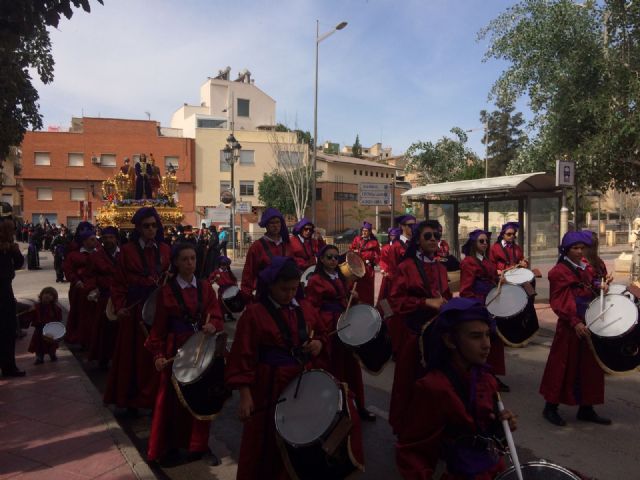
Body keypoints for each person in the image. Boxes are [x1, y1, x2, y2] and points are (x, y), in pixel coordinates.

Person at [226, 257, 335, 479]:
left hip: (301, 382)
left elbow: (323, 333)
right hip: (268, 384)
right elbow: (242, 356)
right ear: (270, 286)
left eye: (294, 288)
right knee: (263, 443)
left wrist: (319, 343)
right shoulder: (254, 313)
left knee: (299, 439)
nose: (289, 294)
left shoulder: (305, 308)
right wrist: (245, 395)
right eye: (284, 289)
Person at [395, 297, 517, 479]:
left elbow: (486, 432)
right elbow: (412, 453)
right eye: (476, 336)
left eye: (487, 335)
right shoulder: (434, 387)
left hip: (495, 471)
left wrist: (501, 426)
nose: (487, 345)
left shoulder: (487, 378)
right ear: (450, 341)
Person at [145, 243, 224, 465]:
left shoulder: (205, 287)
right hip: (176, 349)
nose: (190, 263)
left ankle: (198, 445)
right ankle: (168, 447)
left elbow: (215, 314)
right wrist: (158, 354)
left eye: (193, 259)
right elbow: (158, 328)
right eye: (185, 259)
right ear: (176, 263)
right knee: (172, 401)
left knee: (201, 397)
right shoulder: (167, 291)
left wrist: (213, 325)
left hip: (200, 348)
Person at [540, 231, 611, 427]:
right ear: (566, 250)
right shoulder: (558, 271)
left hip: (589, 321)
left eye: (582, 248)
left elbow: (589, 286)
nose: (580, 252)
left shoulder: (586, 267)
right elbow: (558, 301)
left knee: (589, 366)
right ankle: (550, 407)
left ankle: (586, 408)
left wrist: (600, 287)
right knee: (563, 365)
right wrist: (574, 321)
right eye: (575, 248)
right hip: (570, 326)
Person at [104, 207, 171, 413]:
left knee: (158, 356)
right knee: (133, 357)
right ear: (139, 228)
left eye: (154, 225)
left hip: (159, 311)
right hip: (135, 311)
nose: (151, 229)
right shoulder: (127, 251)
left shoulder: (166, 250)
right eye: (146, 226)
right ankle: (131, 400)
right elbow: (118, 282)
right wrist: (121, 306)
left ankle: (155, 400)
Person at [387, 220, 451, 434]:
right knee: (410, 381)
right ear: (418, 240)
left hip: (438, 334)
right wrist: (424, 303)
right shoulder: (406, 266)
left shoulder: (441, 267)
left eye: (436, 235)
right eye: (428, 236)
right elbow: (395, 301)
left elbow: (446, 297)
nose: (433, 239)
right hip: (414, 335)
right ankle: (408, 429)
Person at [305, 244, 375, 421]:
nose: (333, 260)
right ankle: (336, 408)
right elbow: (312, 307)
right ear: (321, 259)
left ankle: (358, 405)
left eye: (336, 257)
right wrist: (321, 329)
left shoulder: (342, 277)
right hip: (329, 325)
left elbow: (346, 298)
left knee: (352, 366)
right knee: (334, 366)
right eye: (329, 257)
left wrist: (354, 298)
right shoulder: (315, 280)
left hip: (345, 322)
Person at [459, 229, 508, 392]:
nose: (485, 244)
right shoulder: (468, 262)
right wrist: (479, 306)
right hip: (480, 306)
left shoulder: (487, 261)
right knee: (482, 344)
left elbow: (492, 279)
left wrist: (500, 281)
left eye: (486, 241)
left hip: (492, 304)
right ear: (474, 243)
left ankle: (491, 375)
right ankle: (480, 376)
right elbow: (465, 290)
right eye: (481, 241)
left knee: (494, 343)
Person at [86, 226, 120, 369]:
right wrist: (93, 289)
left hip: (120, 296)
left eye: (111, 237)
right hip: (104, 296)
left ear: (116, 239)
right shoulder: (95, 256)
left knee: (120, 330)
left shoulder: (124, 254)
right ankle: (103, 358)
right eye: (105, 238)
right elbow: (90, 275)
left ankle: (119, 358)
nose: (108, 240)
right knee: (103, 330)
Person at [240, 208, 292, 302]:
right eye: (272, 223)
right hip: (265, 296)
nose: (275, 225)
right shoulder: (257, 247)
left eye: (277, 222)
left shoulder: (287, 245)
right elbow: (248, 274)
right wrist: (247, 297)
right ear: (266, 225)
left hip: (286, 297)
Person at [62, 225, 99, 348]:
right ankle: (79, 337)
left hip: (96, 289)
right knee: (80, 314)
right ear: (84, 241)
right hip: (79, 290)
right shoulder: (74, 255)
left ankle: (94, 338)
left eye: (95, 239)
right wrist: (76, 281)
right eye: (92, 239)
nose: (95, 242)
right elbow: (68, 270)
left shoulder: (100, 254)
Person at [0, 210, 26, 377]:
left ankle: (9, 366)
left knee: (8, 330)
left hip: (6, 292)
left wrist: (14, 251)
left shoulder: (9, 247)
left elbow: (18, 264)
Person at [26, 286, 62, 364]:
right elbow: (31, 317)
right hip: (39, 328)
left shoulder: (55, 308)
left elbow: (59, 317)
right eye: (46, 293)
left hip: (50, 329)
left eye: (50, 295)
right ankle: (39, 357)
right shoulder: (36, 306)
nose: (47, 296)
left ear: (54, 298)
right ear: (41, 295)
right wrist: (31, 312)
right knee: (38, 344)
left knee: (52, 344)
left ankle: (52, 354)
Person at [349, 221, 380, 305]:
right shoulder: (357, 239)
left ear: (370, 232)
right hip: (357, 267)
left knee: (367, 288)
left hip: (368, 269)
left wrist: (373, 261)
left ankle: (367, 305)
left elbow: (378, 255)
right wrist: (355, 251)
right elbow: (351, 250)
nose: (364, 232)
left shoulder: (374, 243)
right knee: (356, 286)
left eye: (366, 231)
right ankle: (355, 304)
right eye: (363, 231)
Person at [209, 255, 238, 321]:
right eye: (222, 264)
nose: (224, 266)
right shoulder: (217, 272)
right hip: (222, 290)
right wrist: (215, 279)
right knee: (221, 304)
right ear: (220, 265)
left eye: (225, 264)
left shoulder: (228, 272)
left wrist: (235, 285)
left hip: (230, 290)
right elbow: (210, 281)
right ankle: (222, 316)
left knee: (229, 303)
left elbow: (234, 280)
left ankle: (229, 315)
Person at [377, 227, 401, 305]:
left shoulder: (401, 247)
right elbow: (382, 260)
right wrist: (383, 270)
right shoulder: (385, 248)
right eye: (391, 235)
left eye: (394, 235)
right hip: (388, 275)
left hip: (399, 276)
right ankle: (386, 313)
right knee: (385, 296)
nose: (392, 237)